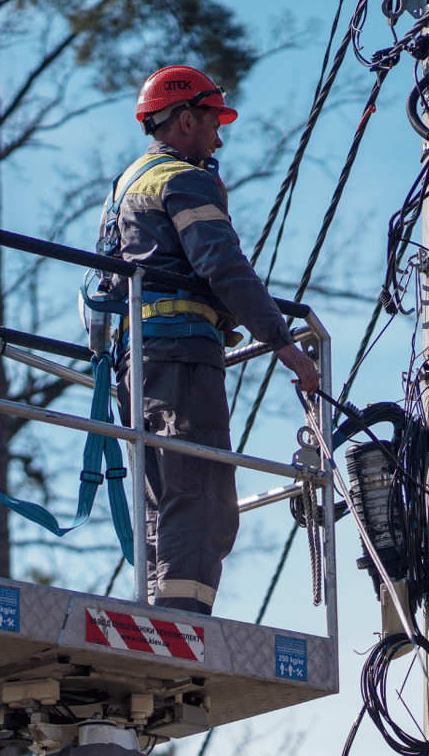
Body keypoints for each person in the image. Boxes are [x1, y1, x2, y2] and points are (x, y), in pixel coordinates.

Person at [101, 65, 319, 615]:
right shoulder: (183, 178)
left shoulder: (126, 185)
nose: (220, 137)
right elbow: (221, 264)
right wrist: (284, 344)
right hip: (182, 359)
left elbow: (107, 283)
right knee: (202, 496)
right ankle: (183, 628)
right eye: (214, 121)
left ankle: (159, 615)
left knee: (164, 498)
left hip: (137, 364)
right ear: (185, 118)